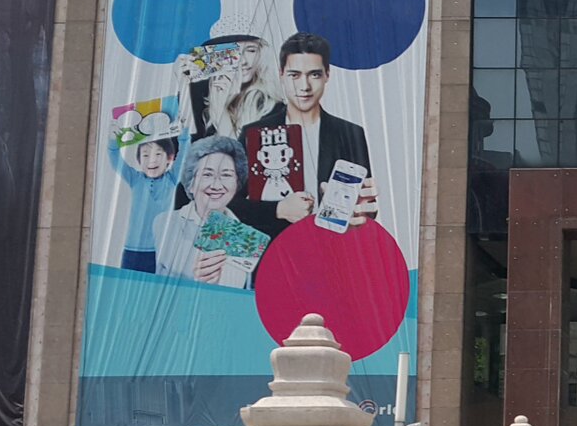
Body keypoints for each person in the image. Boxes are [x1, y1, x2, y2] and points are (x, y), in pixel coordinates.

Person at [233, 31, 375, 241]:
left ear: (327, 74)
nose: (304, 86)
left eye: (314, 74)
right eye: (295, 75)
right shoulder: (255, 133)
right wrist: (278, 209)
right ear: (281, 74)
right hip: (275, 254)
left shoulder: (350, 133)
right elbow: (228, 202)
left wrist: (360, 212)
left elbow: (366, 208)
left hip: (332, 251)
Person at [153, 135, 268, 289]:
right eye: (207, 174)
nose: (216, 185)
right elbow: (182, 268)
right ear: (191, 184)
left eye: (226, 175)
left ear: (236, 183)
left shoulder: (245, 236)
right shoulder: (166, 223)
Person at [105, 114, 184, 273]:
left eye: (158, 154)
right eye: (146, 155)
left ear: (169, 158)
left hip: (161, 251)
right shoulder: (135, 178)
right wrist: (113, 140)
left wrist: (183, 134)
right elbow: (115, 159)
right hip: (132, 249)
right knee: (128, 290)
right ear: (139, 160)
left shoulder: (172, 178)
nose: (151, 160)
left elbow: (184, 154)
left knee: (155, 293)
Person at [190, 33, 281, 141]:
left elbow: (236, 155)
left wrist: (221, 110)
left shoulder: (271, 107)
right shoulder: (199, 98)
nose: (243, 61)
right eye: (231, 52)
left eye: (251, 50)